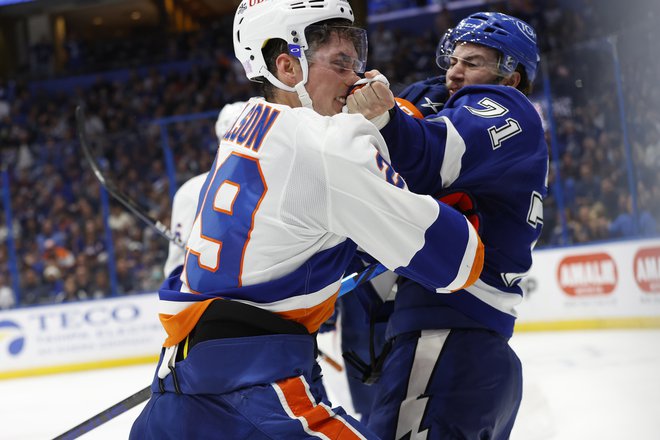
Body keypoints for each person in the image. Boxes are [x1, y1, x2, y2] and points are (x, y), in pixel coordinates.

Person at [130, 1, 484, 438]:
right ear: (287, 66)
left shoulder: (246, 123)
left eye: (357, 59)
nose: (357, 77)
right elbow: (459, 264)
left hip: (177, 391)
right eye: (340, 62)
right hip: (254, 401)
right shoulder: (328, 146)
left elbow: (296, 231)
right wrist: (385, 127)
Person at [347, 12, 548, 440]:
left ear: (510, 78)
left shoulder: (507, 111)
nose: (454, 72)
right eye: (453, 60)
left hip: (447, 341)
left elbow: (428, 161)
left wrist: (383, 119)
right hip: (463, 346)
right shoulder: (453, 101)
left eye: (472, 62)